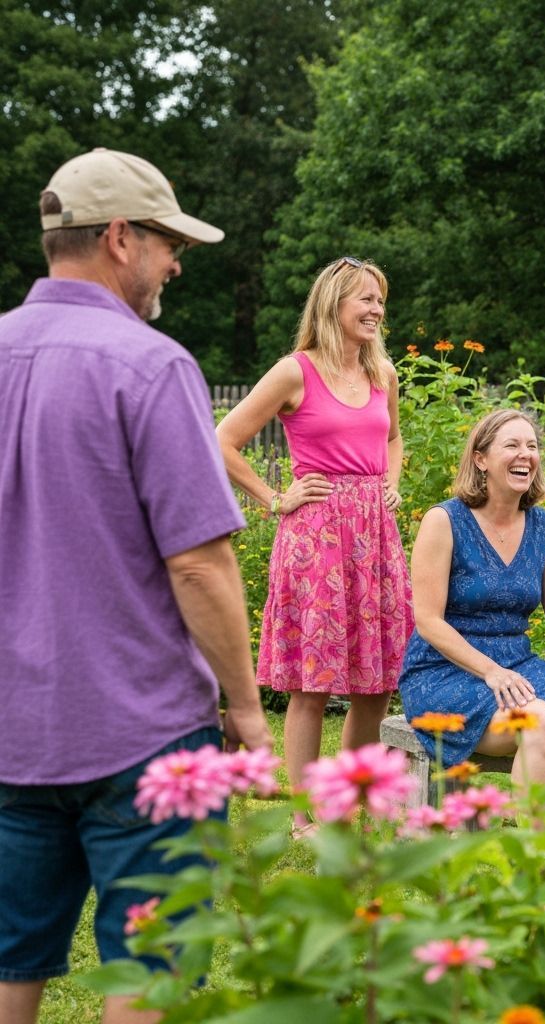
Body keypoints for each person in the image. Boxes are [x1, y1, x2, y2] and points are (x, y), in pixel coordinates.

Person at [0, 148, 273, 1024]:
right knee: (152, 967)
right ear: (120, 238)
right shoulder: (150, 365)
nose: (176, 262)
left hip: (10, 728)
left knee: (8, 960)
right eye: (166, 242)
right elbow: (197, 561)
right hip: (142, 732)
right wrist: (245, 705)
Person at [217, 256, 413, 835]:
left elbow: (395, 437)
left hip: (375, 537)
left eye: (380, 300)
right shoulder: (294, 371)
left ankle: (350, 803)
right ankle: (304, 817)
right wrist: (274, 497)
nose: (377, 311)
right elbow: (223, 440)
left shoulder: (383, 374)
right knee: (312, 685)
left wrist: (392, 484)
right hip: (317, 536)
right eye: (365, 300)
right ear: (333, 305)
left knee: (375, 683)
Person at [399, 409, 545, 786]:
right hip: (445, 674)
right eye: (511, 445)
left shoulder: (543, 525)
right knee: (541, 720)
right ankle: (536, 841)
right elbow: (428, 621)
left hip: (517, 667)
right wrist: (490, 671)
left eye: (532, 446)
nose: (525, 454)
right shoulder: (444, 521)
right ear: (481, 459)